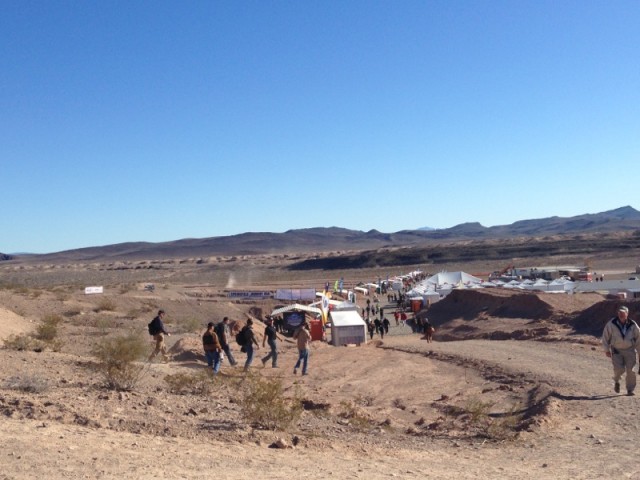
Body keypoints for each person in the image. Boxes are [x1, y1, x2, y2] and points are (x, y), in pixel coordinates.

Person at [602, 306, 640, 396]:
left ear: (627, 313)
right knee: (619, 369)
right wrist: (606, 349)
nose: (621, 314)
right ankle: (616, 381)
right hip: (617, 350)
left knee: (631, 370)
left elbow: (639, 339)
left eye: (623, 313)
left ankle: (630, 389)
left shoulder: (633, 324)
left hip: (630, 350)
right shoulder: (611, 323)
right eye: (620, 313)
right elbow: (605, 336)